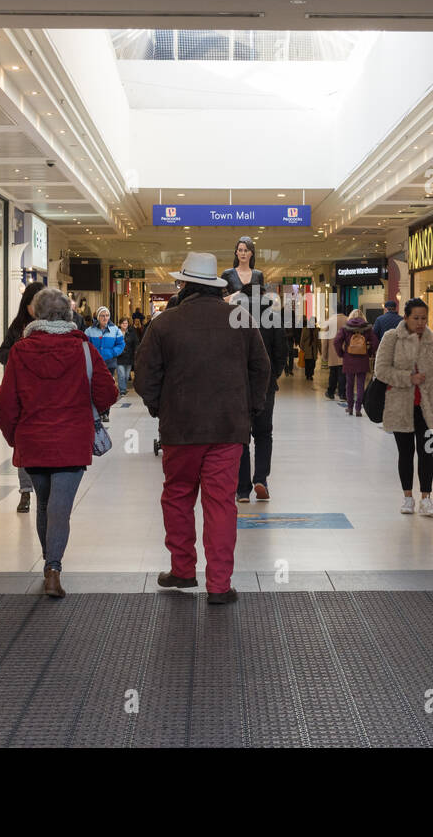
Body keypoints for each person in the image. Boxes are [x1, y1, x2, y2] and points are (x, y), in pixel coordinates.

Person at [136, 251, 270, 605]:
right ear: (215, 286)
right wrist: (249, 407)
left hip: (180, 429)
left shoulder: (164, 323)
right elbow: (262, 368)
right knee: (221, 504)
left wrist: (159, 408)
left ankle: (182, 570)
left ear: (184, 284)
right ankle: (219, 585)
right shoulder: (240, 318)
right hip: (228, 429)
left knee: (178, 497)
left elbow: (145, 376)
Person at [0, 287, 117, 598]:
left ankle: (50, 568)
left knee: (44, 504)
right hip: (72, 440)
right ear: (68, 314)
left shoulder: (21, 351)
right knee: (60, 508)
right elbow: (107, 392)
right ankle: (53, 569)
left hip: (33, 441)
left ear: (35, 314)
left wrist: (15, 437)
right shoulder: (84, 349)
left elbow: (5, 404)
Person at [373, 298, 433, 516]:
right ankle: (407, 497)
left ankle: (426, 498)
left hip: (428, 410)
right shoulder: (392, 338)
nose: (420, 323)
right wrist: (408, 378)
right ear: (406, 317)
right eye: (415, 318)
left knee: (427, 452)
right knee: (406, 453)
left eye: (423, 318)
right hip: (400, 408)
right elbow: (381, 370)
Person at [235, 290, 288, 503]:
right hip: (265, 385)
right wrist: (272, 374)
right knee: (264, 433)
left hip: (239, 385)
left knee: (241, 437)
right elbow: (281, 352)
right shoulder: (273, 318)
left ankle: (242, 490)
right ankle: (261, 479)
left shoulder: (236, 318)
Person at [0, 281, 45, 513]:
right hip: (22, 392)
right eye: (33, 303)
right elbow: (2, 352)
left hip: (45, 394)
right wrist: (18, 352)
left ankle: (45, 490)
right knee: (23, 445)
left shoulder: (54, 327)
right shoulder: (17, 326)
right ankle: (25, 492)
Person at [335, 306, 378, 416]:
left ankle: (350, 407)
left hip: (349, 358)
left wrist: (341, 353)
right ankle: (358, 408)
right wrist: (369, 353)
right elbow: (375, 342)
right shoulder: (367, 328)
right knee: (360, 385)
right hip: (362, 359)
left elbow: (337, 341)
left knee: (349, 384)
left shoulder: (345, 327)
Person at [85, 307, 125, 422]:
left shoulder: (115, 330)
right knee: (96, 387)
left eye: (107, 315)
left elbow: (121, 345)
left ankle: (106, 413)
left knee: (107, 387)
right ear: (98, 317)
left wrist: (112, 353)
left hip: (109, 363)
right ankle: (98, 411)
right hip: (94, 363)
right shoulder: (89, 331)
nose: (105, 318)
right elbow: (85, 345)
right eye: (102, 315)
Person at [323, 308, 348, 402]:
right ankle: (342, 394)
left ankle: (331, 392)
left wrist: (324, 354)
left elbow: (324, 340)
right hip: (345, 351)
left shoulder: (329, 321)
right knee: (343, 374)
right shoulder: (348, 320)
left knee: (333, 373)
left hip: (332, 351)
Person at [116, 317, 138, 397]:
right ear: (120, 324)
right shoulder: (116, 333)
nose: (125, 325)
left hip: (129, 357)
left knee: (126, 375)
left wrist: (136, 351)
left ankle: (123, 387)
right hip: (119, 357)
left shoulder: (132, 332)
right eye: (123, 323)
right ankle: (122, 390)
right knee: (121, 375)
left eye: (126, 323)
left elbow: (136, 343)